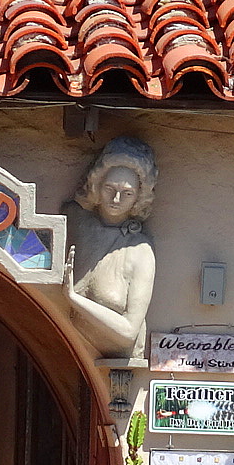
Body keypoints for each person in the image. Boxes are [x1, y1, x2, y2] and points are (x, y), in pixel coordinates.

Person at [64, 136, 158, 360]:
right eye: (109, 188)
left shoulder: (140, 250)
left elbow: (128, 332)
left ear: (139, 197)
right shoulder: (75, 222)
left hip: (110, 363)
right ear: (97, 185)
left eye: (127, 193)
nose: (116, 199)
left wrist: (73, 298)